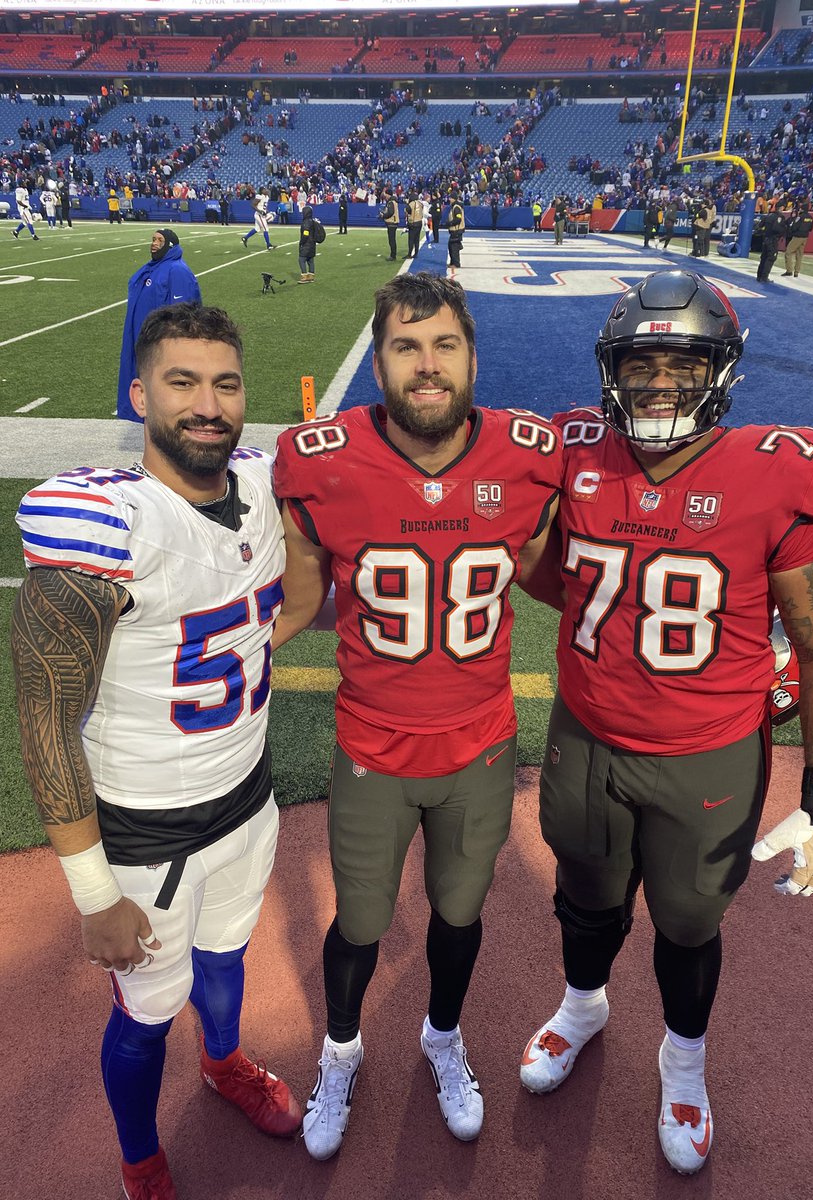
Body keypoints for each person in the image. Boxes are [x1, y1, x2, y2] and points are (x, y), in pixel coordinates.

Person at [520, 269, 813, 1176]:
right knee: (585, 898)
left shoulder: (778, 473)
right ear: (611, 372)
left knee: (686, 923)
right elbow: (539, 566)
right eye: (642, 363)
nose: (660, 381)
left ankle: (683, 1062)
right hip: (587, 737)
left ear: (721, 370)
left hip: (707, 757)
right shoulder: (576, 451)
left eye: (683, 361)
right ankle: (583, 1007)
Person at [12, 304, 302, 1200]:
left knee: (228, 956)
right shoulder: (106, 526)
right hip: (145, 832)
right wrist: (94, 895)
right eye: (182, 382)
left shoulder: (260, 483)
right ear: (140, 395)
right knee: (143, 1015)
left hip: (247, 794)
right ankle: (140, 1157)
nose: (207, 404)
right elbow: (44, 722)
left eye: (225, 383)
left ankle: (223, 1065)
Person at [272, 273, 562, 1162]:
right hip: (371, 745)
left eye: (443, 345)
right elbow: (293, 604)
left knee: (459, 914)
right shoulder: (317, 460)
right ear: (381, 360)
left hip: (479, 746)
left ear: (473, 355)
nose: (426, 366)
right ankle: (342, 1050)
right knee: (359, 923)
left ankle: (442, 1035)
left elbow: (570, 577)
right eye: (405, 346)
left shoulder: (528, 455)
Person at [117, 229, 201, 421]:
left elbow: (183, 314)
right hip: (146, 340)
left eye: (159, 240)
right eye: (153, 239)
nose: (154, 243)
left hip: (163, 345)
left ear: (170, 245)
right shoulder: (153, 268)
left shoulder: (177, 270)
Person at [756, 202, 789, 282]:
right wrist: (784, 229)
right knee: (771, 257)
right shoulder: (779, 217)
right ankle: (764, 277)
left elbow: (760, 226)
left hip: (766, 239)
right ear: (780, 208)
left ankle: (759, 276)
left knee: (764, 258)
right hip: (773, 239)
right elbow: (776, 228)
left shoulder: (769, 215)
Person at [782, 200, 813, 277]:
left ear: (802, 209)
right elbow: (811, 228)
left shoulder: (800, 217)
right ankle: (796, 272)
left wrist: (792, 230)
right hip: (805, 237)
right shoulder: (811, 218)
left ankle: (789, 270)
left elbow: (795, 226)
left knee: (788, 252)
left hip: (797, 237)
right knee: (799, 255)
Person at [297, 204, 319, 283]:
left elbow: (305, 234)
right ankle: (311, 276)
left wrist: (301, 242)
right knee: (310, 260)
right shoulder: (312, 221)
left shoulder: (305, 222)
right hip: (312, 244)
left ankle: (304, 276)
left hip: (307, 244)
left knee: (301, 259)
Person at [381, 186, 399, 260]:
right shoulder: (393, 202)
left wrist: (384, 215)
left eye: (386, 195)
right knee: (392, 239)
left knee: (392, 240)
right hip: (393, 222)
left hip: (392, 222)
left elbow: (390, 212)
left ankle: (393, 255)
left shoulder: (391, 202)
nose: (385, 196)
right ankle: (393, 254)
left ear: (388, 194)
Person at [447, 193, 465, 269]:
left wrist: (450, 223)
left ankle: (456, 263)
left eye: (450, 198)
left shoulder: (456, 207)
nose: (449, 199)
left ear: (453, 199)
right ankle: (453, 262)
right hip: (455, 230)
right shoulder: (454, 206)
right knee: (451, 246)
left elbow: (458, 219)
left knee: (454, 247)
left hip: (456, 230)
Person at [406, 190, 424, 259]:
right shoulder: (420, 203)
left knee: (411, 239)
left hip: (413, 223)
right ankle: (416, 254)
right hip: (419, 222)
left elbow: (407, 211)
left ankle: (409, 254)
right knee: (417, 239)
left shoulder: (411, 204)